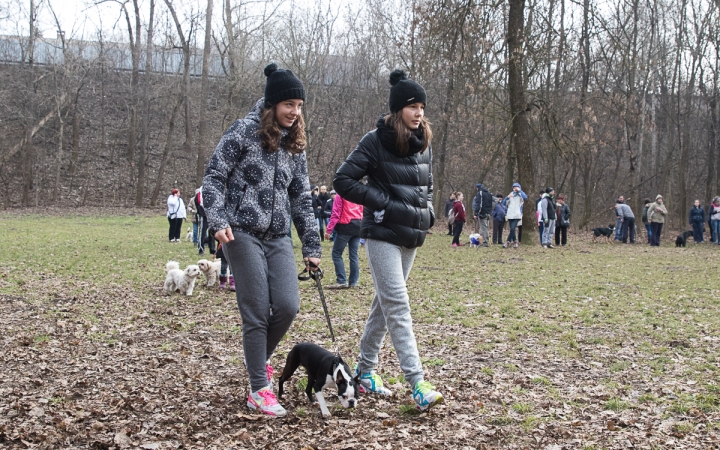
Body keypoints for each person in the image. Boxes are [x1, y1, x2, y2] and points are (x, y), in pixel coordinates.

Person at [202, 63, 322, 417]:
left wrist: (312, 247)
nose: (295, 112)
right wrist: (218, 218)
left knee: (287, 306)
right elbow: (213, 177)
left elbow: (301, 197)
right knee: (256, 311)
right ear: (273, 104)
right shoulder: (242, 132)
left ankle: (258, 363)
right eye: (289, 105)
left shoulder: (293, 145)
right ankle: (259, 388)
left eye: (299, 106)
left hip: (279, 236)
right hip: (241, 233)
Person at [333, 69, 443, 411]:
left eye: (422, 106)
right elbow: (344, 180)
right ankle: (418, 383)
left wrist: (428, 214)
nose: (419, 112)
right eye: (413, 106)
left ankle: (365, 371)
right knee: (397, 303)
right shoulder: (375, 140)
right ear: (398, 110)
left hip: (412, 234)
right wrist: (380, 202)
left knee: (384, 304)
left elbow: (427, 185)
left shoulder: (422, 141)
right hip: (381, 234)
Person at [325, 193, 363, 289]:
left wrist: (329, 230)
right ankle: (353, 282)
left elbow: (336, 213)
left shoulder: (341, 194)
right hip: (358, 225)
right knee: (353, 255)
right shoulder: (359, 193)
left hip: (346, 226)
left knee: (336, 254)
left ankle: (341, 280)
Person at [503, 183, 527, 248]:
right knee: (512, 229)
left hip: (517, 215)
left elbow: (525, 197)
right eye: (514, 187)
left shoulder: (520, 196)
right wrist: (507, 197)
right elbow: (503, 203)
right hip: (510, 215)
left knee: (513, 228)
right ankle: (515, 241)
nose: (515, 189)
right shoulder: (511, 195)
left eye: (516, 187)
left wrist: (519, 190)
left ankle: (507, 242)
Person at [194, 188, 216, 256]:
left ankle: (212, 249)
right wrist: (200, 212)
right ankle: (201, 248)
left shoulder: (212, 192)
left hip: (211, 215)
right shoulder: (199, 194)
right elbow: (197, 202)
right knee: (202, 232)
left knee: (212, 232)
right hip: (203, 215)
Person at [472, 183, 492, 247]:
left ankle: (485, 242)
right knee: (485, 227)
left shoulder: (480, 193)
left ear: (477, 188)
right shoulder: (489, 193)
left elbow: (479, 204)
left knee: (483, 228)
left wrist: (476, 213)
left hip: (482, 213)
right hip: (487, 213)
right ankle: (484, 240)